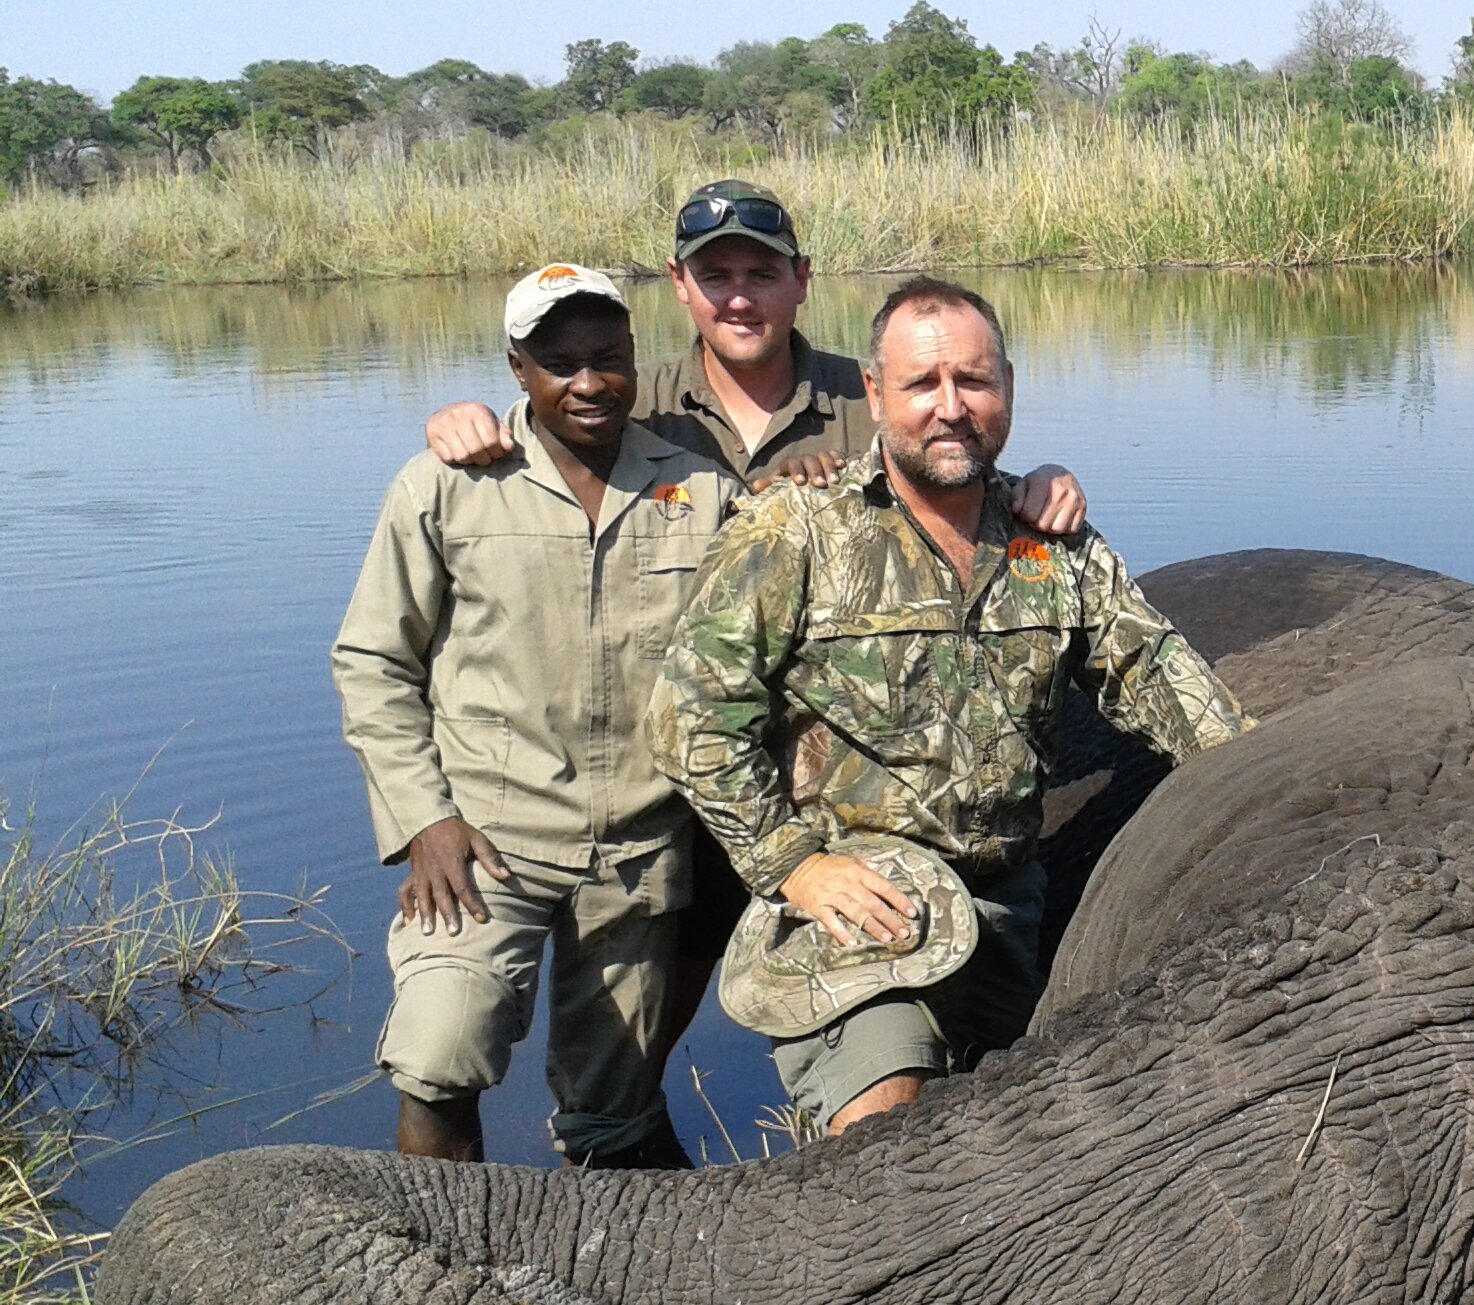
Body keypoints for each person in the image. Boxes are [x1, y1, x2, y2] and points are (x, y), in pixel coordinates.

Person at [419, 180, 1092, 1059]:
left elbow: (959, 447)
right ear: (680, 283)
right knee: (639, 1034)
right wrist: (466, 423)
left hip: (831, 774)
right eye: (716, 274)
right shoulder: (628, 395)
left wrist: (1041, 479)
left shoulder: (871, 391)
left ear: (801, 280)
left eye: (762, 272)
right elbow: (538, 431)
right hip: (662, 770)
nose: (740, 295)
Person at [648, 275, 1252, 1135]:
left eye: (973, 381)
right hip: (857, 911)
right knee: (887, 1130)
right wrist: (794, 865)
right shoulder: (797, 531)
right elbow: (690, 718)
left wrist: (1270, 779)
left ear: (1007, 384)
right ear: (873, 392)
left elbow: (1162, 680)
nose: (951, 407)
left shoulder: (1054, 547)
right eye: (922, 385)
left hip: (1009, 908)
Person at [333, 263, 736, 1169]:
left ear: (637, 357)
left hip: (638, 849)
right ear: (517, 369)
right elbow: (372, 661)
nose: (588, 382)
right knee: (440, 1057)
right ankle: (439, 1283)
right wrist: (423, 819)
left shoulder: (702, 492)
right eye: (559, 362)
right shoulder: (445, 485)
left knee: (615, 1107)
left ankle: (617, 1277)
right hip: (484, 840)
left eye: (607, 357)